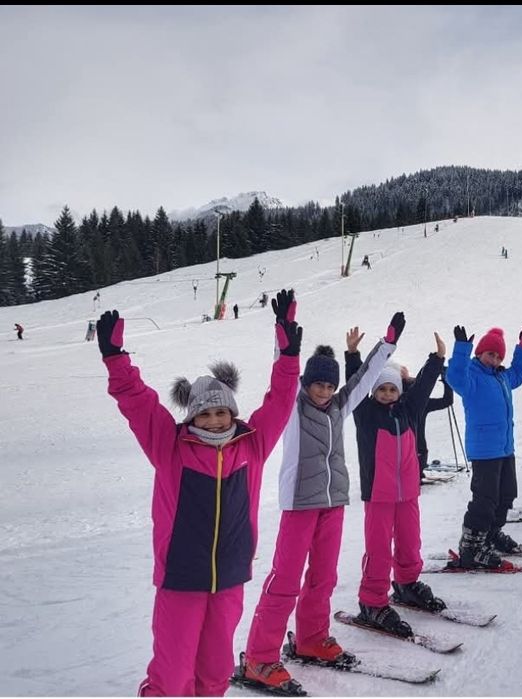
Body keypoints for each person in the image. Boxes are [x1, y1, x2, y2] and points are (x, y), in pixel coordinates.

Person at [97, 290, 302, 697]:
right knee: (172, 677)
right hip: (181, 579)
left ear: (232, 412)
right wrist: (115, 357)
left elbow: (280, 401)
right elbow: (139, 403)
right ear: (191, 415)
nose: (212, 420)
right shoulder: (170, 447)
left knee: (215, 673)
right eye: (203, 413)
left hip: (229, 577)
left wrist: (288, 354)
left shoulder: (252, 446)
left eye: (220, 411)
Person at [241, 312, 405, 690]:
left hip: (333, 502)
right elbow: (279, 388)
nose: (324, 391)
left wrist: (388, 344)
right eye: (317, 384)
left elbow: (363, 380)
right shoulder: (293, 410)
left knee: (324, 576)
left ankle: (312, 638)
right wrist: (285, 346)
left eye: (329, 385)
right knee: (285, 580)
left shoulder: (337, 407)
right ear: (306, 383)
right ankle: (259, 657)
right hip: (300, 504)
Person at [345, 332, 447, 636]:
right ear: (375, 392)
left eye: (393, 389)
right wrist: (352, 356)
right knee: (379, 549)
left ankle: (406, 584)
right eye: (383, 389)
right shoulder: (365, 414)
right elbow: (355, 386)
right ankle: (372, 601)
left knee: (410, 541)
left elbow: (425, 385)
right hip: (378, 495)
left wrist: (437, 359)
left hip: (408, 494)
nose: (388, 394)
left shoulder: (409, 409)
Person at [446, 325, 522, 568]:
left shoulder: (502, 377)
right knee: (485, 499)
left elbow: (519, 373)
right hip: (484, 450)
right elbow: (455, 377)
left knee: (506, 494)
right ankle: (471, 546)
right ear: (480, 353)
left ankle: (491, 535)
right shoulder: (471, 377)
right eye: (490, 354)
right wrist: (462, 349)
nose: (494, 359)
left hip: (505, 447)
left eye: (498, 356)